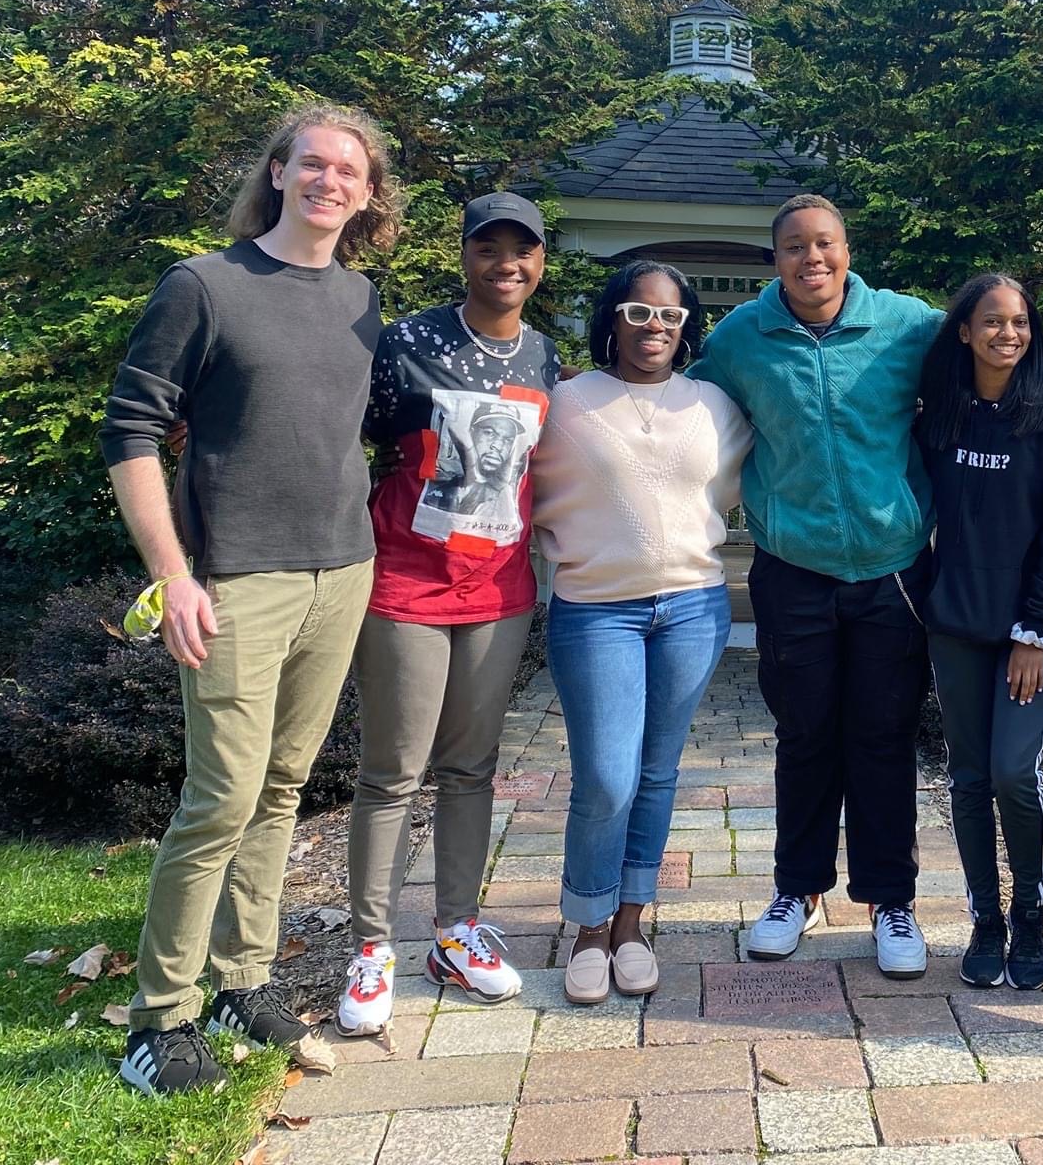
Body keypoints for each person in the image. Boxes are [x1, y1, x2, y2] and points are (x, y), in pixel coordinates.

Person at [99, 104, 401, 1094]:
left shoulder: (360, 299)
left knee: (279, 789)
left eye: (347, 171)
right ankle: (161, 1019)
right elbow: (131, 432)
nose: (328, 181)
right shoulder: (206, 285)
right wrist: (173, 574)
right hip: (234, 579)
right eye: (311, 163)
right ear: (277, 173)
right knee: (220, 798)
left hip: (341, 572)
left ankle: (242, 978)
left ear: (366, 193)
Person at [690, 194, 946, 978]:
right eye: (795, 247)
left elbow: (995, 356)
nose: (813, 259)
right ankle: (795, 891)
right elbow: (681, 410)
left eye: (825, 244)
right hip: (792, 570)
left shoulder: (909, 325)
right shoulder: (739, 339)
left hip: (892, 570)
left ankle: (891, 899)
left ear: (847, 249)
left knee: (881, 736)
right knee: (805, 737)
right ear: (776, 260)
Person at [335, 192, 560, 1037]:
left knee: (471, 767)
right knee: (392, 770)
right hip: (405, 583)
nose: (507, 264)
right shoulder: (406, 343)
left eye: (524, 250)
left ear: (542, 262)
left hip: (498, 590)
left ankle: (455, 931)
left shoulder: (544, 354)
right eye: (489, 248)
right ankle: (371, 946)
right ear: (464, 255)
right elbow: (346, 434)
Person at [530, 261, 750, 1003]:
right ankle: (587, 926)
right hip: (596, 610)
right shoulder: (564, 402)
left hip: (692, 607)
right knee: (605, 776)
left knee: (657, 774)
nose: (654, 326)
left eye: (669, 315)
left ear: (688, 326)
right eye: (638, 312)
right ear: (613, 321)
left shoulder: (714, 404)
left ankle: (631, 924)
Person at [914, 274, 1043, 990]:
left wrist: (1034, 632)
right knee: (969, 776)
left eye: (1019, 323)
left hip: (1026, 636)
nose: (1007, 334)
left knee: (1015, 773)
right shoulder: (939, 416)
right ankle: (985, 918)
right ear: (964, 331)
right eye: (991, 322)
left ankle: (1030, 915)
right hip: (954, 627)